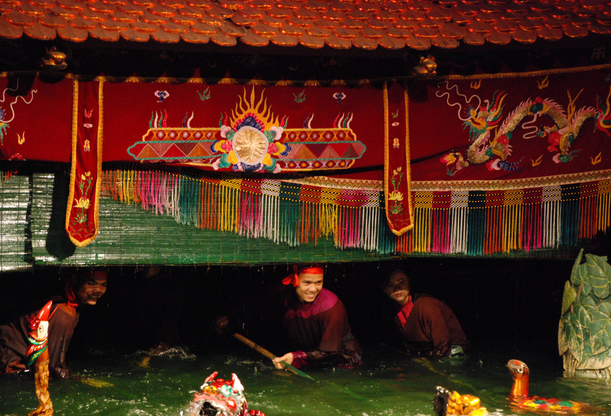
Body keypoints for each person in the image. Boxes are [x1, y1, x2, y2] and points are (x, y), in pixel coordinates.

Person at [0, 268, 108, 379]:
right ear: (75, 281)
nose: (98, 290)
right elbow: (54, 367)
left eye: (103, 284)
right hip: (10, 360)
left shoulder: (66, 302)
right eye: (91, 283)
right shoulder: (64, 313)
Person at [272, 265, 362, 370]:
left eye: (318, 282)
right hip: (310, 355)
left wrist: (296, 357)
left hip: (341, 359)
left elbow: (330, 351)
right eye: (307, 283)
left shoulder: (330, 307)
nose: (313, 289)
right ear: (294, 281)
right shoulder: (285, 295)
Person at [383, 269, 469, 359]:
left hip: (452, 352)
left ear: (408, 282)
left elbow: (443, 344)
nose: (397, 288)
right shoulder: (392, 310)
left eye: (402, 282)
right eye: (390, 285)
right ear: (384, 288)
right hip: (427, 353)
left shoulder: (427, 305)